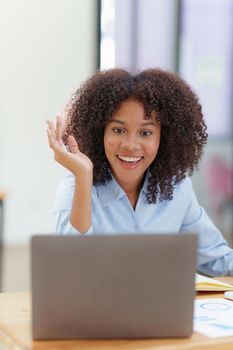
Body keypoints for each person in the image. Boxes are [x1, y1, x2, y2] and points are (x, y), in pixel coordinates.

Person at [47, 68, 233, 277]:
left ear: (164, 137)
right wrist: (83, 176)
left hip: (161, 308)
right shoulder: (75, 187)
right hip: (98, 310)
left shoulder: (176, 187)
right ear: (100, 131)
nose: (130, 145)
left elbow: (218, 259)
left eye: (145, 133)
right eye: (118, 130)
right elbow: (70, 274)